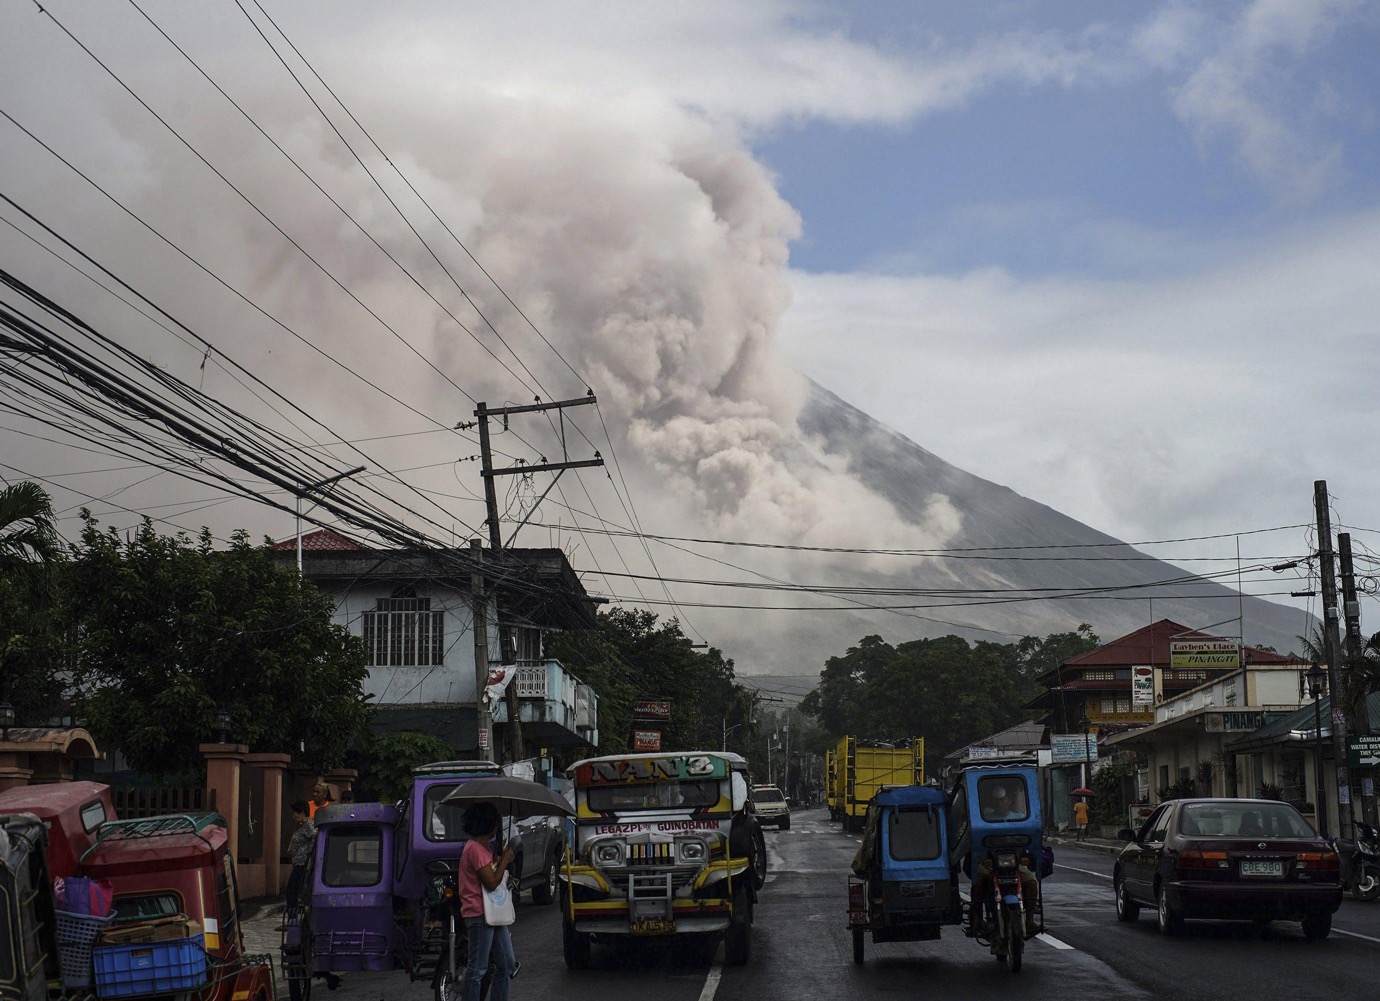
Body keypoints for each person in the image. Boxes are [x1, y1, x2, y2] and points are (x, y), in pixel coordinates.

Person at [458, 802, 516, 1001]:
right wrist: (505, 862)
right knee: (478, 968)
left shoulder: (483, 848)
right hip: (479, 914)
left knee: (507, 964)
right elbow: (491, 883)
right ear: (488, 825)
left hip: (493, 913)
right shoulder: (474, 849)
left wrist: (498, 862)